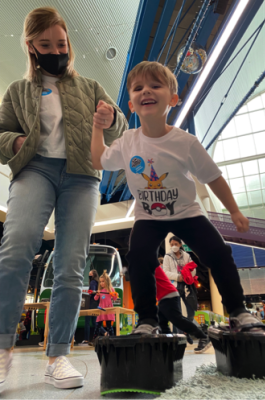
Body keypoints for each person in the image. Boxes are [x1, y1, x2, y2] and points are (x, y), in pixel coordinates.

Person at [0, 7, 127, 392]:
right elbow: (0, 133)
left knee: (71, 263)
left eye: (61, 43)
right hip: (34, 169)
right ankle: (2, 347)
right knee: (17, 247)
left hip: (81, 177)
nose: (56, 50)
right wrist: (17, 141)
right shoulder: (18, 91)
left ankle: (58, 355)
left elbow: (121, 123)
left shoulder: (88, 86)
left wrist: (109, 119)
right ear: (31, 47)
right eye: (46, 44)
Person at [91, 60, 261, 336]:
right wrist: (98, 128)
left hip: (187, 213)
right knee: (138, 256)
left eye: (155, 85)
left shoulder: (186, 142)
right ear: (131, 105)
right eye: (138, 88)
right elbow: (98, 160)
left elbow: (213, 177)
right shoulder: (126, 142)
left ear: (173, 98)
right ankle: (147, 319)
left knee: (219, 252)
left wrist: (234, 211)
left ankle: (239, 312)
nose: (146, 90)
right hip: (148, 217)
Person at [155, 265, 210, 353]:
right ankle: (168, 345)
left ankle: (203, 337)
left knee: (177, 319)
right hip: (163, 297)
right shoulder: (147, 265)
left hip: (168, 295)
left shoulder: (150, 264)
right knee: (162, 322)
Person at [163, 236, 196, 323]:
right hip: (174, 287)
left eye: (176, 244)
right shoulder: (167, 256)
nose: (174, 246)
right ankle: (180, 334)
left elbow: (193, 269)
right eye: (172, 244)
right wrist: (178, 277)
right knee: (177, 312)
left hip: (187, 286)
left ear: (180, 244)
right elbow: (165, 272)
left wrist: (188, 277)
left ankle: (188, 329)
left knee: (191, 311)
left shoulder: (187, 255)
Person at [91, 270, 118, 341]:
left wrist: (115, 294)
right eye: (100, 281)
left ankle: (112, 339)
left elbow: (115, 298)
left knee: (109, 326)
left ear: (107, 281)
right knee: (97, 325)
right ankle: (94, 339)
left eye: (103, 281)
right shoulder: (100, 290)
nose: (101, 283)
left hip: (108, 310)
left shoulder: (111, 289)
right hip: (101, 309)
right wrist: (97, 294)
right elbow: (95, 299)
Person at [81, 269, 99, 345]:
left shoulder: (92, 282)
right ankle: (103, 333)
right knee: (95, 322)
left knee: (87, 322)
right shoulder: (97, 282)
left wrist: (90, 292)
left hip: (90, 303)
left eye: (90, 274)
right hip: (96, 303)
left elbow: (93, 291)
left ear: (93, 275)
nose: (89, 275)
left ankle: (86, 339)